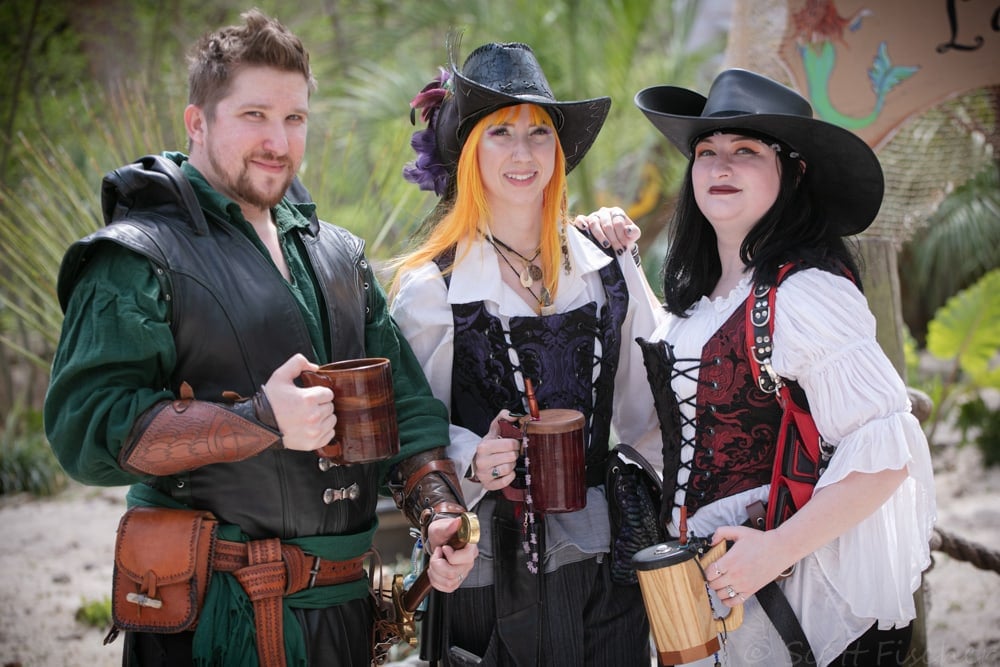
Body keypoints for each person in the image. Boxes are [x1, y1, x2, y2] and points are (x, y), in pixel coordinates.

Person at [43, 10, 476, 667]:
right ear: (198, 121)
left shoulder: (338, 255)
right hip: (214, 624)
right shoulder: (137, 258)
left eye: (294, 118)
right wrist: (258, 419)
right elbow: (84, 428)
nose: (278, 140)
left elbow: (407, 412)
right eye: (254, 115)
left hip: (348, 614)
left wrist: (439, 510)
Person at [605, 68, 935, 665]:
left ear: (793, 172)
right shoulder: (697, 306)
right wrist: (616, 252)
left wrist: (775, 550)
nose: (720, 166)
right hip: (701, 591)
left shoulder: (806, 293)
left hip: (793, 588)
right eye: (707, 152)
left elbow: (890, 451)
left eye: (746, 151)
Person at [389, 40, 665, 666]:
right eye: (501, 133)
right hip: (488, 561)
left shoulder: (607, 267)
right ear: (468, 153)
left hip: (605, 559)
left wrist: (665, 525)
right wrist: (470, 457)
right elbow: (412, 434)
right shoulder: (434, 289)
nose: (523, 152)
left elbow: (652, 412)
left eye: (540, 132)